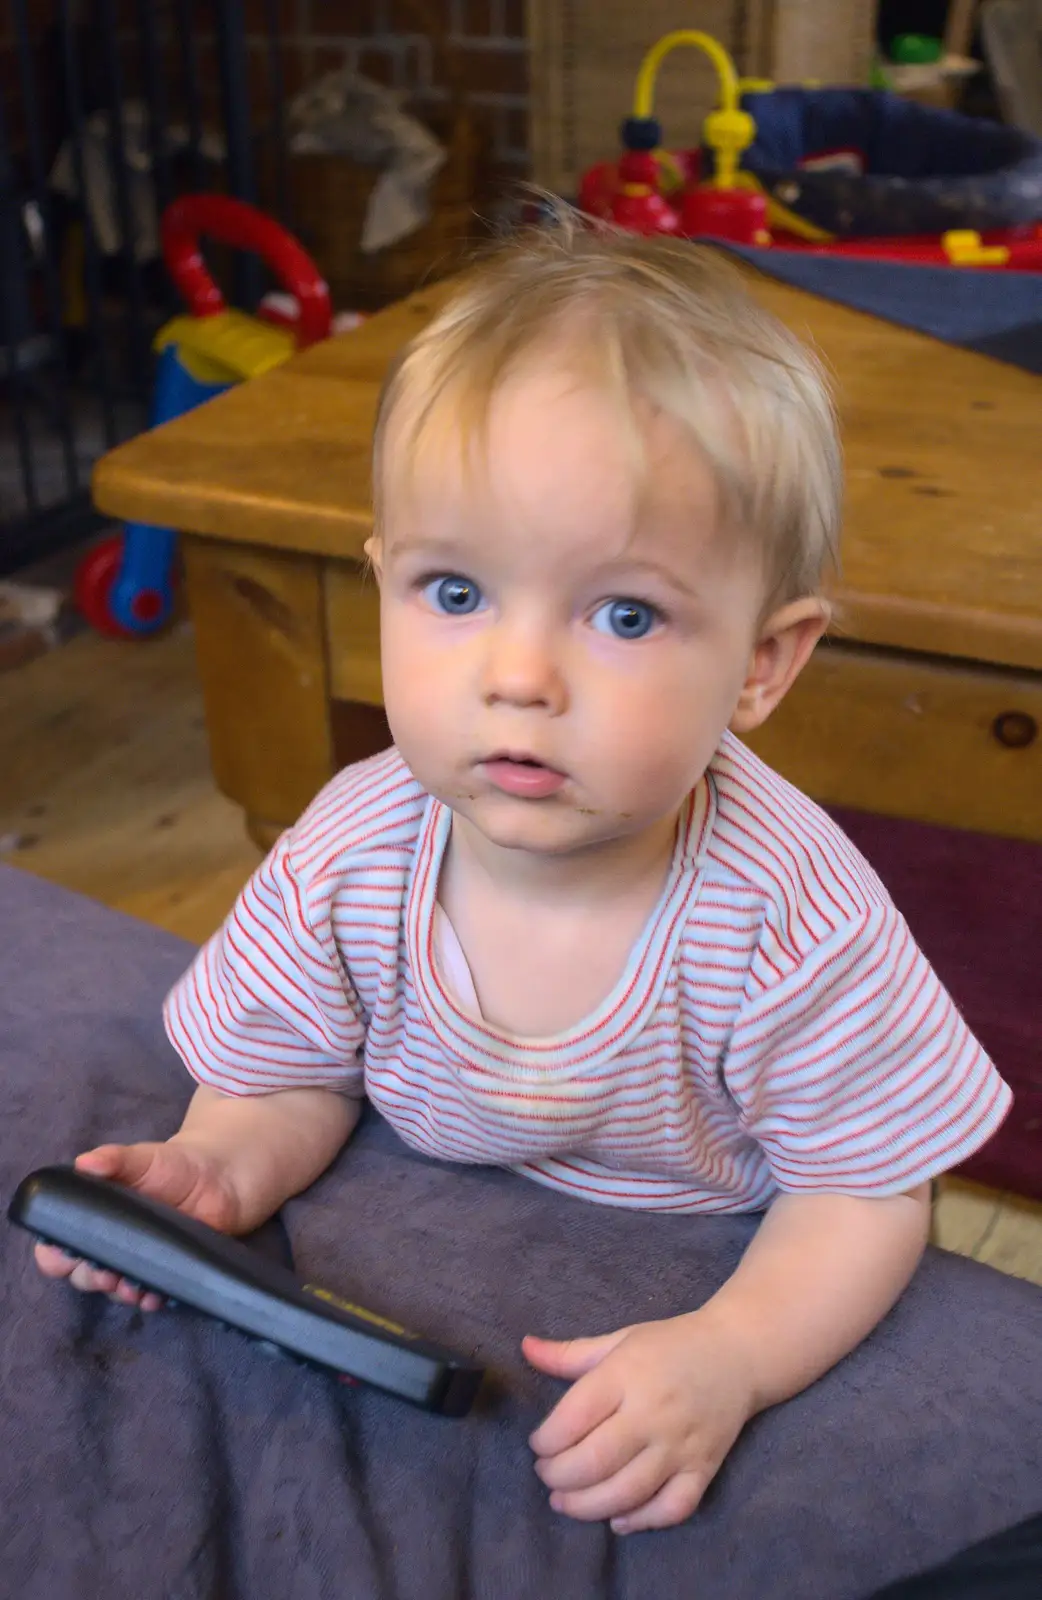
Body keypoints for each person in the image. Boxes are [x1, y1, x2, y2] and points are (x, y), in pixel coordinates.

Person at [36, 215, 1010, 1535]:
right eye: (453, 593)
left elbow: (863, 1190)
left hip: (706, 1248)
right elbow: (294, 1073)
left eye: (622, 614)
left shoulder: (788, 918)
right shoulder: (349, 851)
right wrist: (221, 1163)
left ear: (763, 664)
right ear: (380, 583)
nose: (517, 675)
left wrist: (730, 1354)